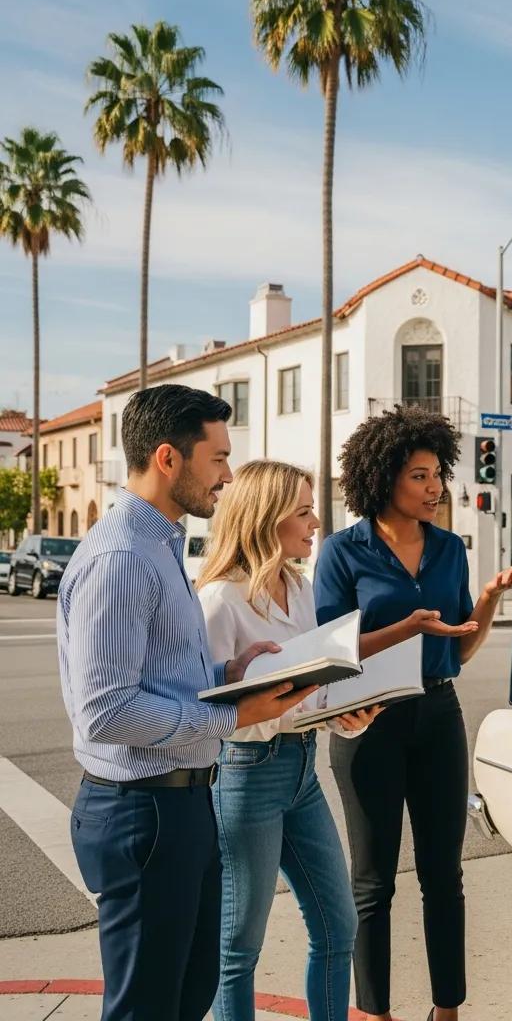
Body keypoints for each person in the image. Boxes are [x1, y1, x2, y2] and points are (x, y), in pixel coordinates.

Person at [57, 385, 311, 1021]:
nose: (228, 474)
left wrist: (231, 674)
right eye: (218, 457)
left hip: (183, 804)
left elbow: (162, 677)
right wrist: (234, 714)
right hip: (142, 813)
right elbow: (105, 711)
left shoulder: (161, 542)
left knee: (189, 997)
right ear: (168, 459)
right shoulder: (122, 556)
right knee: (148, 1009)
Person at [314, 405, 512, 1021]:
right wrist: (406, 628)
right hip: (369, 723)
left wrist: (488, 599)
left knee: (444, 875)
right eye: (419, 475)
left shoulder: (448, 550)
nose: (435, 486)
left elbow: (459, 648)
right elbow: (329, 653)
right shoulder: (342, 553)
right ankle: (376, 1012)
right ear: (383, 478)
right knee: (373, 882)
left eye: (438, 473)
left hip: (439, 714)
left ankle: (448, 1009)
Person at [197, 460, 377, 1021]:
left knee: (338, 926)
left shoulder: (300, 587)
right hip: (246, 774)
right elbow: (208, 709)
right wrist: (272, 706)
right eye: (303, 512)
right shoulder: (221, 600)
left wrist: (344, 715)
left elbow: (310, 686)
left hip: (302, 770)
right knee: (238, 946)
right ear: (266, 519)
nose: (316, 522)